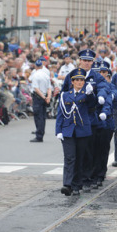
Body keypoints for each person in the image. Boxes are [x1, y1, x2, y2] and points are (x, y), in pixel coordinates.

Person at [56, 68, 95, 196]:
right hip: (68, 130)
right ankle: (67, 184)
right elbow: (60, 114)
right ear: (72, 82)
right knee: (69, 158)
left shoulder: (87, 94)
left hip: (82, 130)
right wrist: (58, 130)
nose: (79, 82)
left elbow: (91, 104)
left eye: (81, 80)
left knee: (79, 158)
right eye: (76, 80)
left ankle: (77, 184)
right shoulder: (65, 95)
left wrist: (90, 94)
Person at [30, 60, 52, 142]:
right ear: (42, 67)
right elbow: (49, 88)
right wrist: (48, 97)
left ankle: (39, 135)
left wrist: (43, 97)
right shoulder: (46, 75)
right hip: (45, 96)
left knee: (38, 117)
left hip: (38, 97)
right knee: (42, 117)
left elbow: (36, 89)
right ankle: (41, 132)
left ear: (36, 67)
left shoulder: (35, 75)